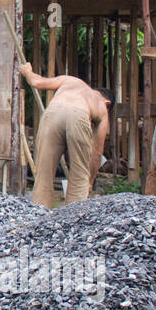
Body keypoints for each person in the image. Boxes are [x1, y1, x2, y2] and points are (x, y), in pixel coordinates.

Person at [19, 63, 112, 208]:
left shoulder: (71, 81)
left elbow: (36, 82)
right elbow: (97, 151)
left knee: (43, 174)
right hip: (79, 116)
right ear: (107, 103)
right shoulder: (101, 107)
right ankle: (73, 219)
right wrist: (90, 180)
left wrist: (27, 72)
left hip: (53, 113)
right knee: (80, 175)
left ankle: (40, 214)